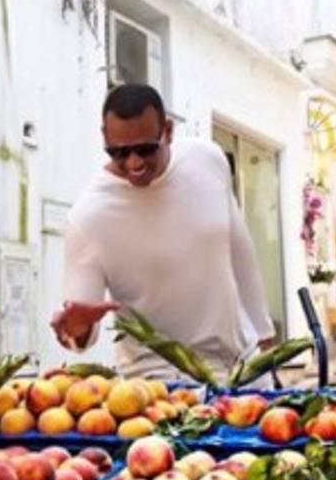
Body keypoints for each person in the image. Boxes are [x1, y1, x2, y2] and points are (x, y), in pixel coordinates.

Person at [51, 83, 275, 380]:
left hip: (244, 366)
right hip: (161, 382)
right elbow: (81, 332)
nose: (134, 162)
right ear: (104, 138)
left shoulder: (208, 159)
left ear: (167, 131)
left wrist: (264, 338)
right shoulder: (88, 217)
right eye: (119, 152)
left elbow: (238, 249)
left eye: (145, 149)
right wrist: (76, 330)